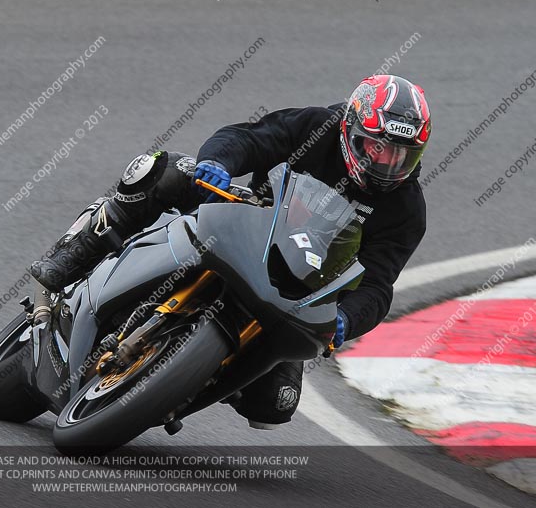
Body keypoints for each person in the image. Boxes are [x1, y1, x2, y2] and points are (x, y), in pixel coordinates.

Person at [28, 74, 431, 429]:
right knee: (161, 169)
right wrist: (218, 163)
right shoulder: (316, 126)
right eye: (377, 148)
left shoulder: (406, 210)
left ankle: (186, 381)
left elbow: (378, 284)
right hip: (243, 221)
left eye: (402, 156)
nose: (387, 163)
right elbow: (249, 138)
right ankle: (77, 253)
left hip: (299, 290)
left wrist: (347, 319)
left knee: (275, 406)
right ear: (350, 128)